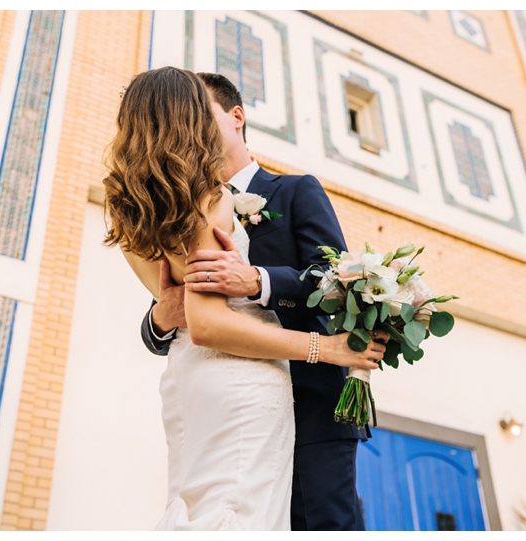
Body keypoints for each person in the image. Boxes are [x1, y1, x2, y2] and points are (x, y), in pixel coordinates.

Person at [104, 67, 386, 531]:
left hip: (311, 404)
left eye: (204, 113)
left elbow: (333, 281)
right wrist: (160, 317)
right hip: (234, 392)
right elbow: (181, 311)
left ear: (236, 117)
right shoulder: (188, 198)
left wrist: (258, 281)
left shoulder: (296, 191)